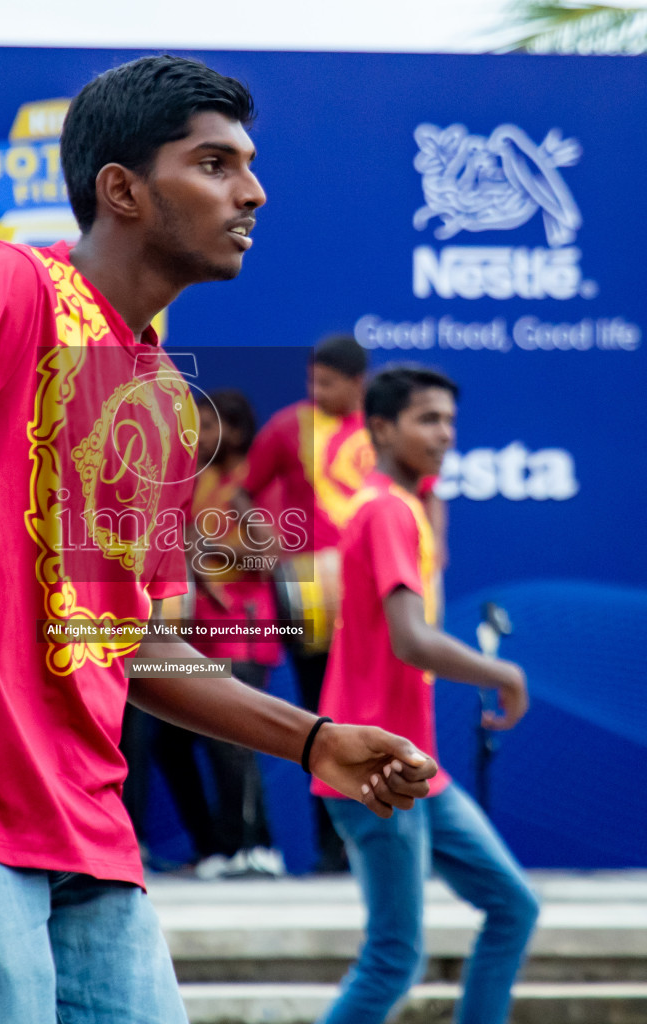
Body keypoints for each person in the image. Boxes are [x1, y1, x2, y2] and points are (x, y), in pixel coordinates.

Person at [0, 55, 441, 1024]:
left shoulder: (167, 404)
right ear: (122, 189)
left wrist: (309, 738)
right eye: (215, 163)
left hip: (87, 829)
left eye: (249, 164)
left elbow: (122, 639)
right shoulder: (11, 284)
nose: (253, 190)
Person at [313, 365, 539, 1024]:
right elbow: (411, 639)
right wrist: (507, 675)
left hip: (413, 768)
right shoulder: (385, 511)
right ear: (381, 428)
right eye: (427, 420)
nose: (444, 434)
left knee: (512, 906)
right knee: (393, 956)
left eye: (449, 421)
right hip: (374, 767)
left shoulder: (404, 507)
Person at [245, 333, 374, 871]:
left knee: (375, 708)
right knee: (324, 710)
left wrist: (432, 560)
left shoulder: (382, 430)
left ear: (356, 384)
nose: (315, 391)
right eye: (310, 381)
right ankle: (332, 847)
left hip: (374, 587)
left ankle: (383, 841)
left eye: (327, 383)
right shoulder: (289, 426)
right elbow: (244, 489)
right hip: (306, 584)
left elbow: (426, 496)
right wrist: (265, 535)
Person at [151, 389, 286, 879]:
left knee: (237, 741)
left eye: (210, 426)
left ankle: (256, 849)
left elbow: (269, 560)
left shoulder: (253, 484)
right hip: (195, 635)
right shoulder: (193, 480)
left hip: (243, 632)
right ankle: (216, 846)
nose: (201, 435)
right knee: (175, 743)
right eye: (196, 425)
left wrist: (204, 548)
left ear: (238, 431)